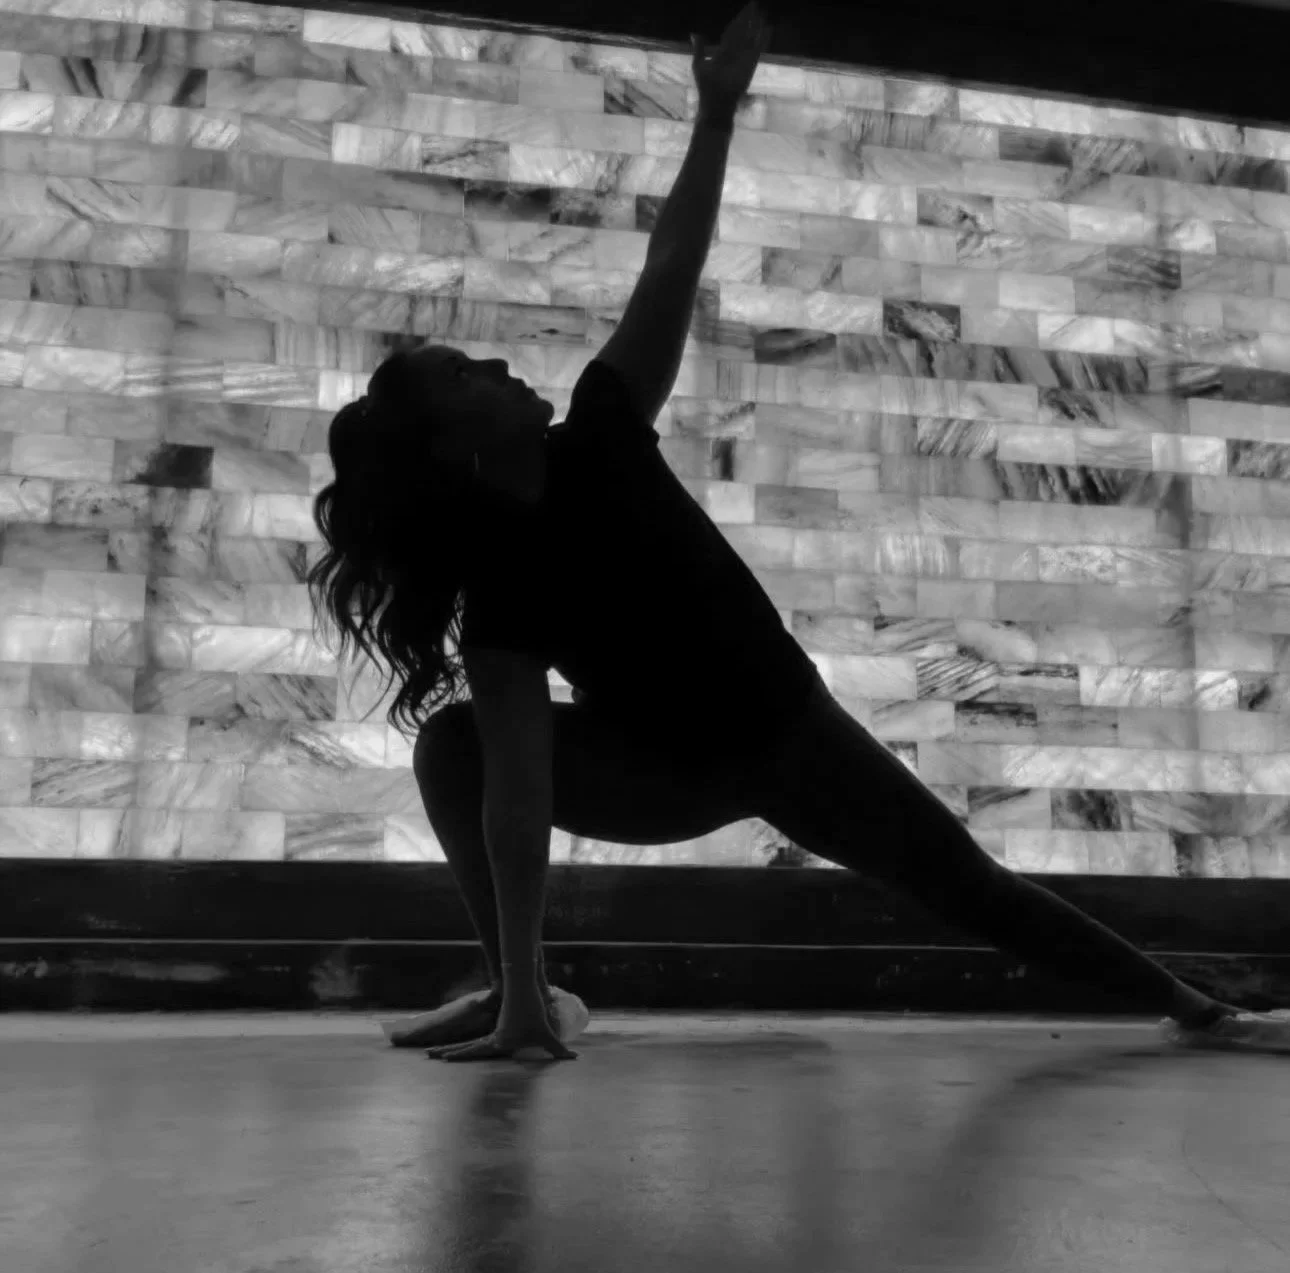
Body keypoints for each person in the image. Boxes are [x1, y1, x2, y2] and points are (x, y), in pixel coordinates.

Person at [309, 1, 1290, 1062]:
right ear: (455, 445)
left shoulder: (604, 427)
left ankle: (1206, 1013)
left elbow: (673, 262)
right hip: (664, 773)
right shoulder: (499, 587)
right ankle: (528, 998)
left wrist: (717, 113)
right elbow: (519, 799)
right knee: (457, 746)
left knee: (968, 885)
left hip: (787, 733)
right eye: (466, 376)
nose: (498, 367)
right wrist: (518, 1007)